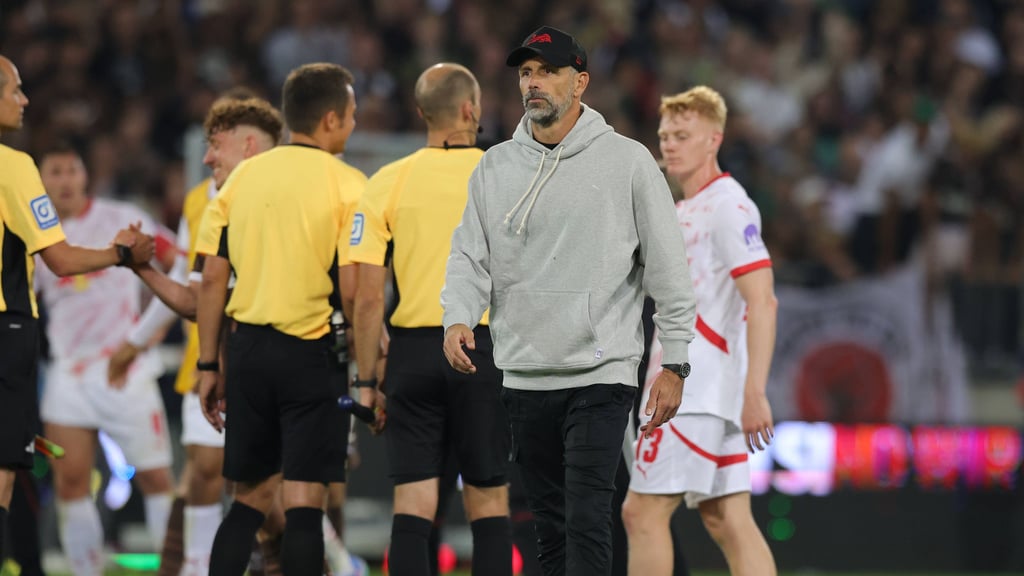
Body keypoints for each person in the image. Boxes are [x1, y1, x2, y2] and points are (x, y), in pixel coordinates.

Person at [440, 27, 697, 576]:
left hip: (601, 374)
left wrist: (675, 361)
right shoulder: (494, 167)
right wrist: (456, 317)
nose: (533, 83)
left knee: (586, 519)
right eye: (526, 72)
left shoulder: (629, 163)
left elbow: (669, 270)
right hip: (525, 374)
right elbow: (468, 257)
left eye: (548, 71)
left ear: (580, 81)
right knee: (549, 528)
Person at [194, 62, 365, 576]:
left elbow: (210, 280)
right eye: (352, 115)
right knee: (305, 504)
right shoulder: (349, 184)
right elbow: (355, 290)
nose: (355, 125)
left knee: (247, 500)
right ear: (331, 120)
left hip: (248, 352)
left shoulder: (240, 180)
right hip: (312, 351)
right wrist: (368, 364)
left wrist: (208, 365)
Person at [351, 62, 511, 576]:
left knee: (413, 506)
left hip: (414, 353)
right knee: (487, 502)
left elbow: (369, 299)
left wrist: (368, 382)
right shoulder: (506, 174)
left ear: (421, 112)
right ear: (471, 109)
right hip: (486, 348)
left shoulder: (387, 182)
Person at [0, 53, 151, 567]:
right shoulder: (15, 168)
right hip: (15, 337)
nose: (24, 100)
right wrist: (121, 255)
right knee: (7, 473)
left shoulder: (121, 209)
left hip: (112, 363)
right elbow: (60, 260)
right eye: (15, 90)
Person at [621, 86, 777, 576]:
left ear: (714, 139)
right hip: (702, 390)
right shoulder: (684, 208)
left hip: (695, 391)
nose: (669, 144)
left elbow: (764, 300)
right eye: (665, 134)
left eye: (683, 135)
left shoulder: (728, 207)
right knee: (727, 519)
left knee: (642, 512)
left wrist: (755, 392)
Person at [129, 94, 283, 576]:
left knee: (264, 495)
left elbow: (202, 296)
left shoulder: (227, 203)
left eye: (216, 146)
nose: (206, 158)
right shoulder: (211, 199)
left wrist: (142, 269)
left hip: (252, 359)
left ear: (250, 146)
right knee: (267, 493)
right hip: (283, 360)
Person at [33, 142, 179, 575]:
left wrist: (149, 334)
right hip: (67, 374)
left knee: (157, 481)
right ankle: (85, 572)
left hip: (125, 369)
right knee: (71, 482)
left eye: (70, 170)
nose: (63, 181)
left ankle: (175, 570)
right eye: (54, 172)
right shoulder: (35, 236)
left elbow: (178, 263)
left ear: (85, 176)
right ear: (40, 181)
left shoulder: (120, 218)